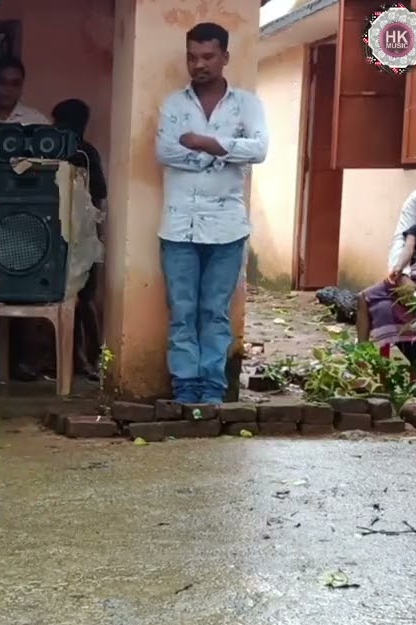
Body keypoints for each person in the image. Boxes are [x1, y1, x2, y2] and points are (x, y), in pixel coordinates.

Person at [156, 22, 267, 405]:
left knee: (215, 312)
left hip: (227, 228)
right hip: (178, 226)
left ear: (225, 57)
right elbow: (166, 152)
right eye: (192, 56)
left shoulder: (247, 104)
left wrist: (204, 142)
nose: (198, 64)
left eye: (207, 56)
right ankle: (186, 388)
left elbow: (259, 150)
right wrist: (223, 152)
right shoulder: (174, 104)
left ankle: (213, 389)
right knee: (182, 312)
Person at [54, 98, 108, 379]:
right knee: (71, 300)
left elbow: (99, 192)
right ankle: (76, 358)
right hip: (62, 233)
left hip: (82, 235)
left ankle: (89, 358)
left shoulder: (86, 154)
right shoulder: (54, 151)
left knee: (82, 300)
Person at [358, 177, 416, 350]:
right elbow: (403, 246)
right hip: (411, 281)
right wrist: (400, 272)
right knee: (365, 297)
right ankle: (362, 356)